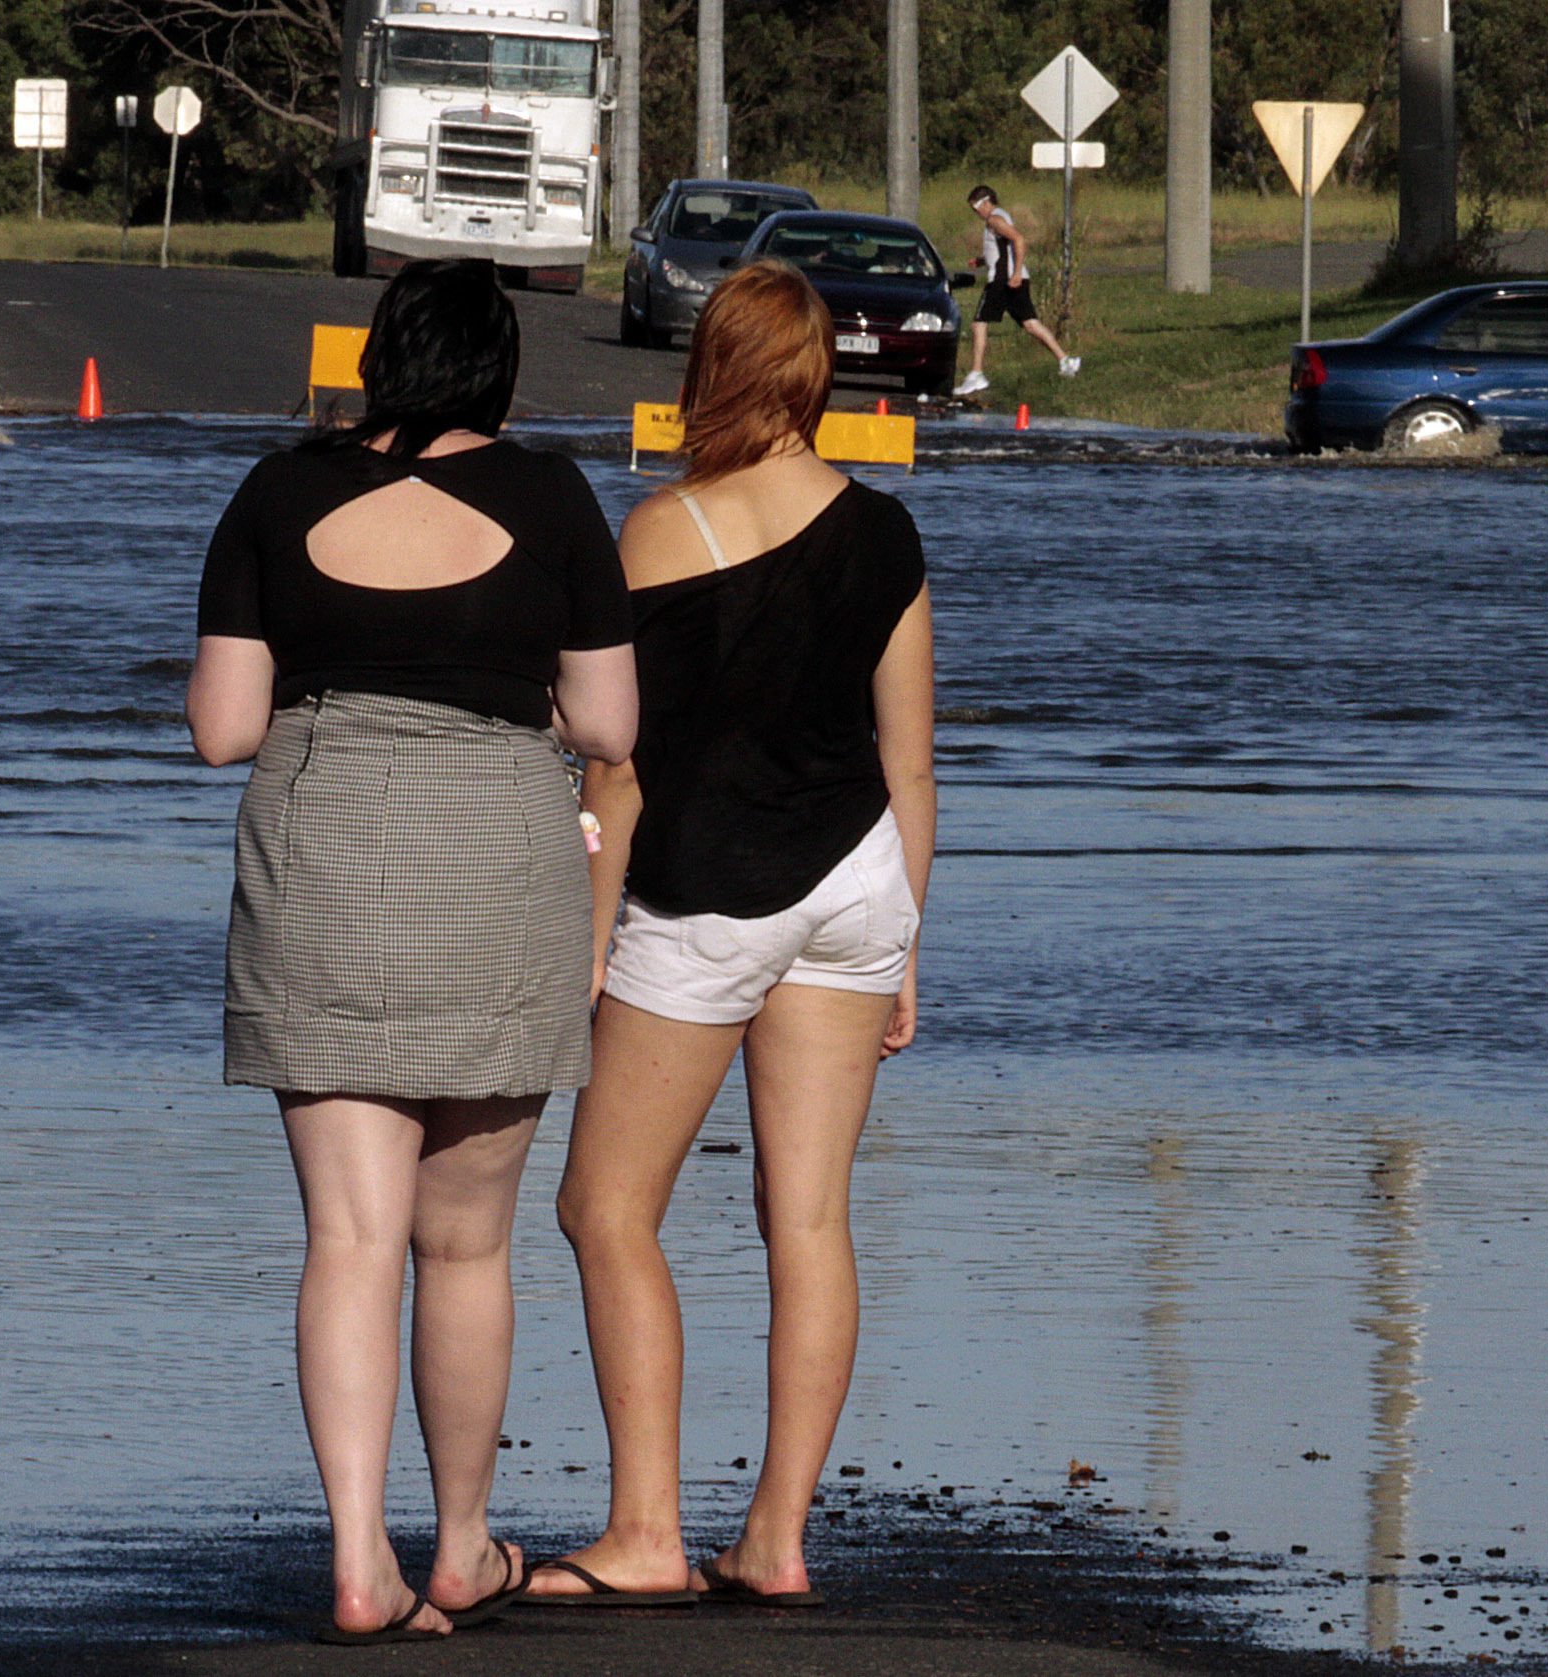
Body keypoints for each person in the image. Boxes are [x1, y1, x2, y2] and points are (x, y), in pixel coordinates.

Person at [186, 257, 639, 1644]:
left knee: (350, 1236)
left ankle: (355, 1560)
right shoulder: (557, 498)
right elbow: (611, 724)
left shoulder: (275, 492)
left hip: (323, 845)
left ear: (379, 356)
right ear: (500, 369)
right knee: (467, 1244)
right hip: (497, 851)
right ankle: (455, 1549)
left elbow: (221, 728)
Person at [532, 258, 934, 1609]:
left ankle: (646, 1530)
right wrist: (908, 938)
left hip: (709, 896)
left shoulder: (659, 533)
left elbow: (616, 771)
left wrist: (589, 945)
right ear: (817, 381)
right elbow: (912, 762)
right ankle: (775, 1535)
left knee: (603, 1204)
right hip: (858, 883)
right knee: (809, 1218)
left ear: (713, 373)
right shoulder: (885, 532)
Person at [952, 182, 1078, 394]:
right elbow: (1004, 248)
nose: (976, 213)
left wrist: (1016, 272)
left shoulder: (994, 219)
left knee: (979, 324)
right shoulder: (1001, 216)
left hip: (1003, 280)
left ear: (985, 203)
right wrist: (983, 260)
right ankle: (1065, 360)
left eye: (975, 208)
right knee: (1030, 323)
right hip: (1012, 278)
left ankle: (976, 374)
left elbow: (1019, 240)